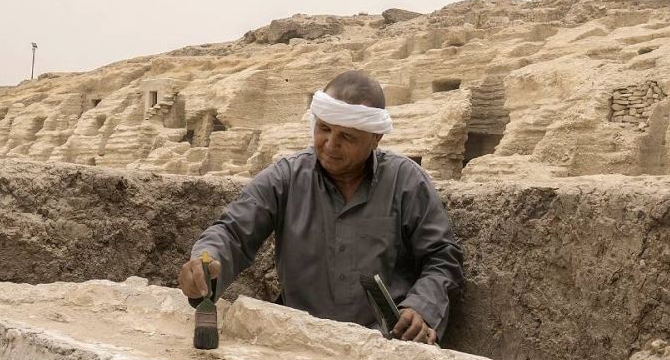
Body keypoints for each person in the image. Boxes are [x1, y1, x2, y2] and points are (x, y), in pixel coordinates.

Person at [180, 70, 463, 344]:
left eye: (347, 137)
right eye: (324, 129)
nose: (330, 144)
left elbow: (441, 258)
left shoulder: (406, 181)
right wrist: (206, 261)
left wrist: (421, 308)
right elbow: (232, 232)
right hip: (300, 339)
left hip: (385, 343)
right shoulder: (286, 177)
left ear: (375, 138)